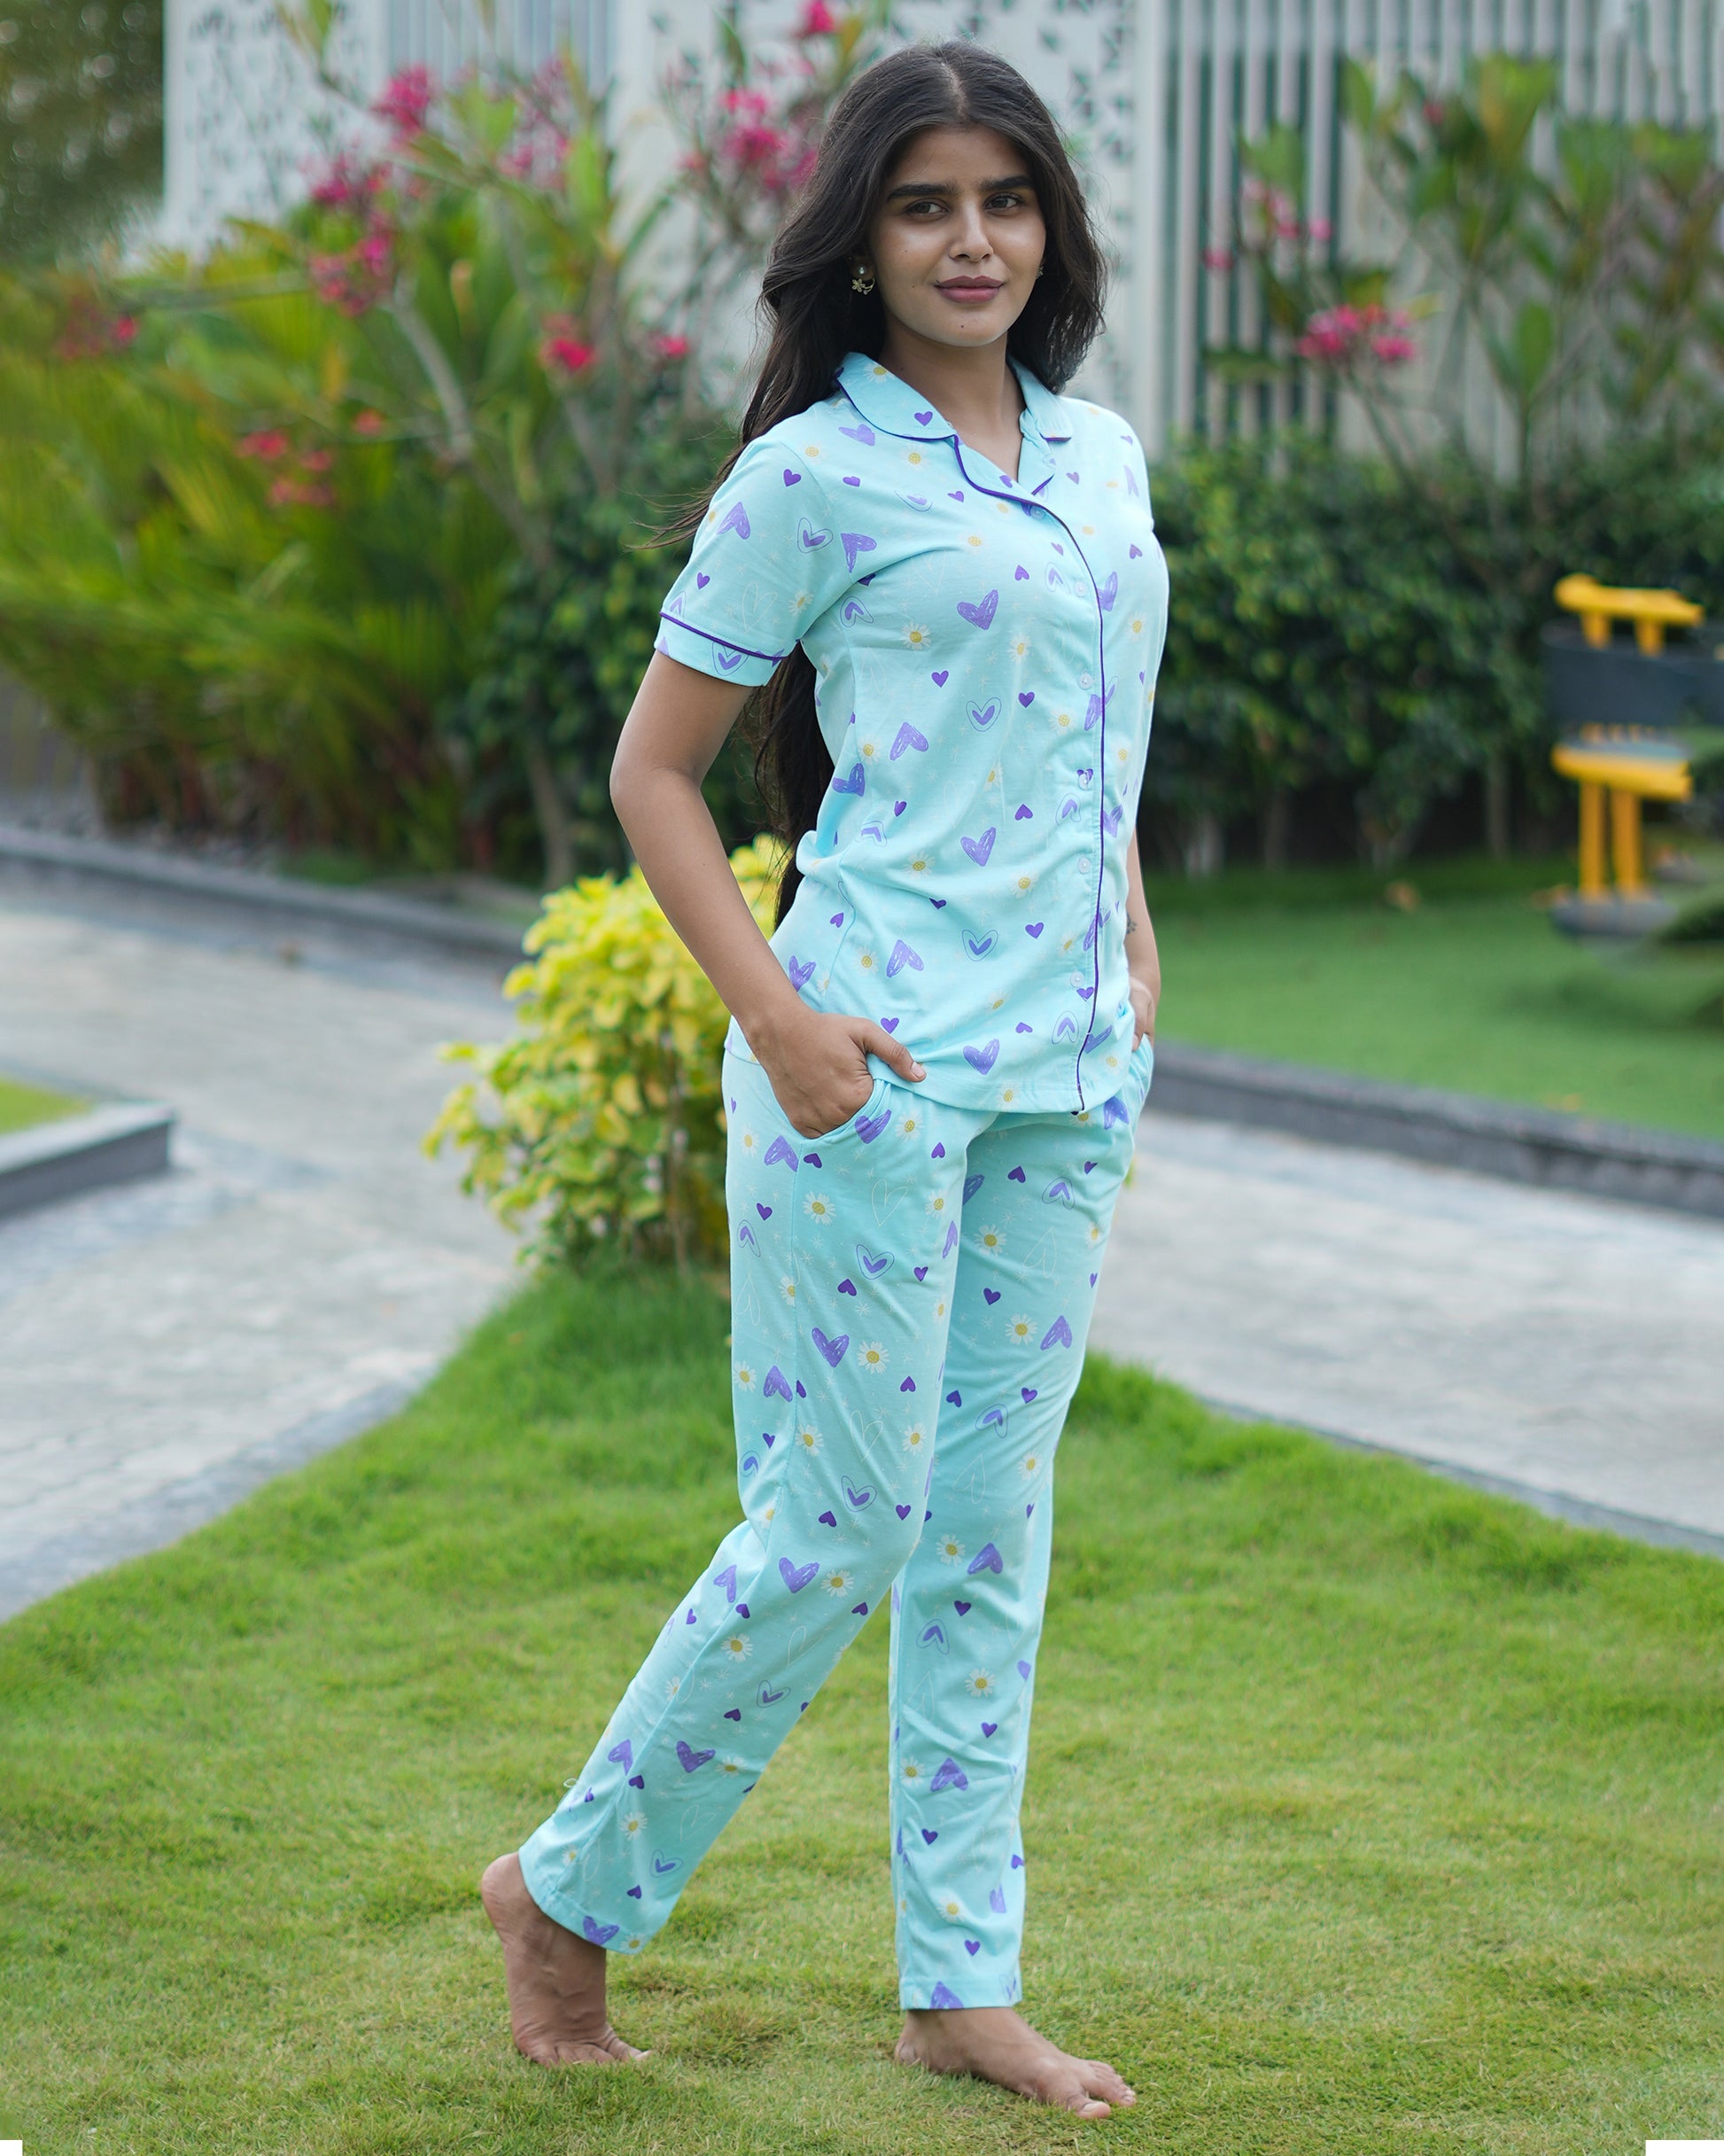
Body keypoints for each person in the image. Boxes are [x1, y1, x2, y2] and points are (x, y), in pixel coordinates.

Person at [481, 36, 1169, 2122]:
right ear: (858, 242)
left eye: (1004, 200)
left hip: (1068, 1065)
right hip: (867, 1062)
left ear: (1048, 228)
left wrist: (1131, 927)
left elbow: (1088, 720)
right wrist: (779, 1017)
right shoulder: (809, 475)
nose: (971, 239)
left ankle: (959, 1983)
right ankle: (566, 1890)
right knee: (840, 1522)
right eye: (922, 203)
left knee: (986, 1534)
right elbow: (654, 772)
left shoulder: (1102, 457)